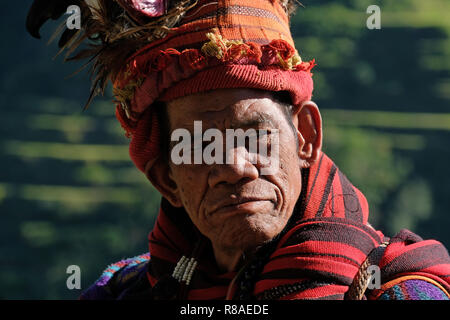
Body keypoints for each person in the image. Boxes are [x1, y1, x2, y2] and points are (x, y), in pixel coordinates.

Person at [27, 0, 450, 300]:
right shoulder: (121, 290)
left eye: (255, 135)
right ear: (165, 178)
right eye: (199, 144)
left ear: (305, 136)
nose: (235, 166)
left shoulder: (399, 291)